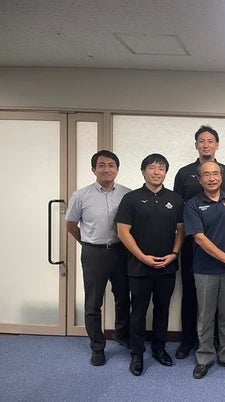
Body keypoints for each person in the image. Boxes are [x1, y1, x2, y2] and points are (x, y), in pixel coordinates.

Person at [173, 125, 225, 360]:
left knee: (224, 304)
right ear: (196, 145)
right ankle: (189, 340)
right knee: (192, 294)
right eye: (202, 141)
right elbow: (178, 210)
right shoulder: (184, 173)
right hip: (193, 243)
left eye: (210, 141)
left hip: (224, 245)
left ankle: (221, 344)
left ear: (217, 145)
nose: (206, 145)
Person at [115, 153, 184, 376]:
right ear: (143, 171)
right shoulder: (131, 199)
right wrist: (142, 257)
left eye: (161, 168)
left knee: (162, 309)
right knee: (138, 311)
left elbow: (181, 230)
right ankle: (137, 353)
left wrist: (174, 254)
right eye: (152, 167)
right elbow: (123, 232)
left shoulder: (175, 199)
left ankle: (159, 349)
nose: (157, 172)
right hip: (139, 267)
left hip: (167, 265)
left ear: (166, 172)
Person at [65, 150, 131, 366]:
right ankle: (97, 346)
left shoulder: (127, 194)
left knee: (123, 297)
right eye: (101, 165)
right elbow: (71, 224)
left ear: (117, 169)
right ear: (94, 170)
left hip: (121, 251)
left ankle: (122, 334)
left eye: (111, 165)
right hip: (94, 253)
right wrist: (87, 243)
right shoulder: (81, 195)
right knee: (93, 303)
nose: (106, 169)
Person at [183, 161, 225, 379]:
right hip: (205, 269)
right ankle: (205, 358)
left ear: (222, 177)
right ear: (200, 180)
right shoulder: (192, 205)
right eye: (206, 175)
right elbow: (199, 238)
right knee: (205, 316)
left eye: (215, 174)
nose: (212, 178)